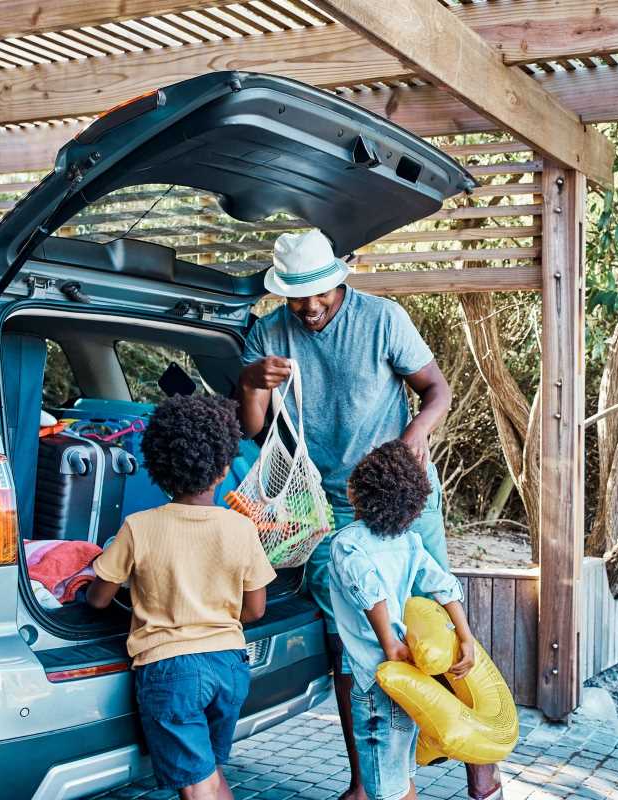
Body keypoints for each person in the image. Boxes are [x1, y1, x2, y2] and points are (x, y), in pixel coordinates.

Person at [238, 231, 502, 800]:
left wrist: (409, 443)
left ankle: (482, 767)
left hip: (404, 492)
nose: (310, 309)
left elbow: (436, 390)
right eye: (297, 298)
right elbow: (256, 430)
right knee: (352, 639)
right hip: (329, 503)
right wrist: (250, 382)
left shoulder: (383, 318)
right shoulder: (268, 333)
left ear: (341, 277)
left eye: (320, 295)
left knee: (435, 618)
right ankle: (365, 782)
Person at [87, 395, 277, 800]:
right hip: (229, 667)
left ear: (158, 467)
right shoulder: (241, 529)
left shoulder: (138, 527)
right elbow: (256, 609)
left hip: (171, 671)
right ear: (225, 466)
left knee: (197, 785)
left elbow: (98, 599)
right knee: (205, 772)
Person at [329, 439, 475, 800]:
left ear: (352, 492)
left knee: (387, 788)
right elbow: (444, 586)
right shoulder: (409, 543)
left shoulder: (347, 543)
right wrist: (466, 636)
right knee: (401, 776)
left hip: (378, 682)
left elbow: (370, 590)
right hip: (410, 677)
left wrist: (389, 644)